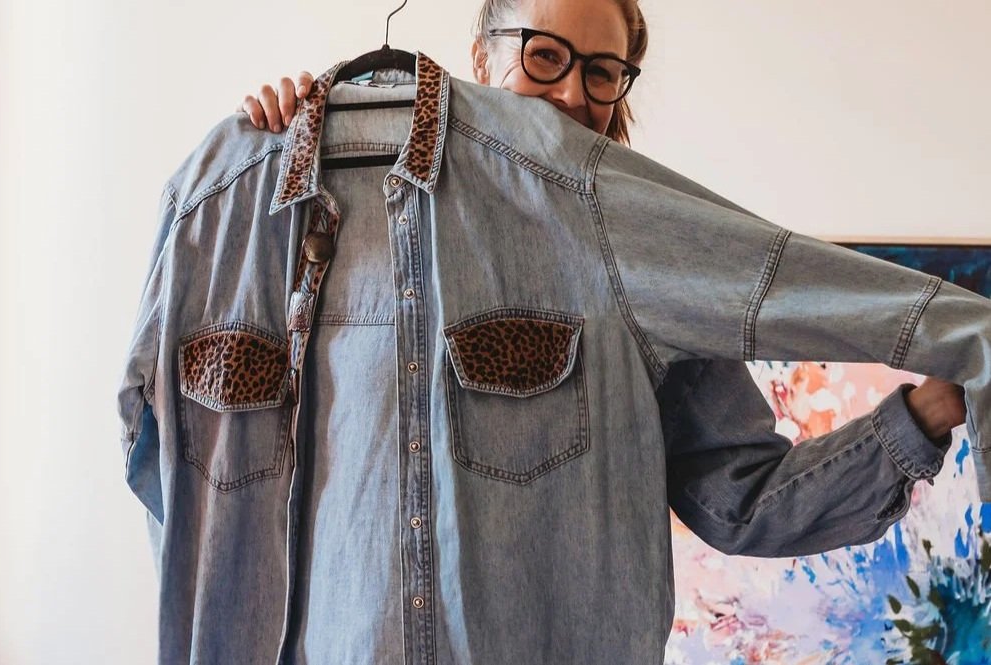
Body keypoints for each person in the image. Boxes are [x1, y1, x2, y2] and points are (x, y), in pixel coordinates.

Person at [238, 0, 967, 456]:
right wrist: (296, 142)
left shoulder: (637, 250)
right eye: (546, 56)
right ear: (480, 58)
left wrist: (924, 412)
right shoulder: (344, 197)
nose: (569, 94)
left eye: (602, 72)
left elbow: (738, 499)